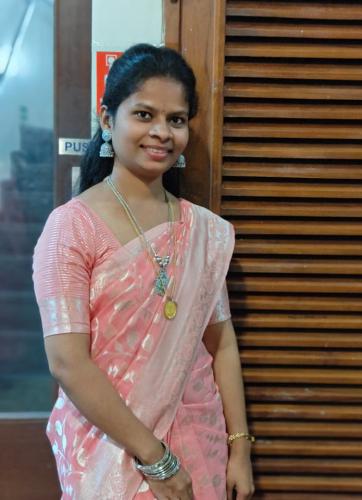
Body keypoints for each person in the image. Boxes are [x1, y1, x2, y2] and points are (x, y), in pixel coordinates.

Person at [32, 43, 254, 500]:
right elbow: (68, 362)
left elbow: (221, 343)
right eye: (144, 115)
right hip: (109, 447)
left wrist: (240, 449)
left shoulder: (203, 232)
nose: (161, 132)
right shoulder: (71, 228)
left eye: (176, 119)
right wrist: (157, 458)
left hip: (198, 440)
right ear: (108, 119)